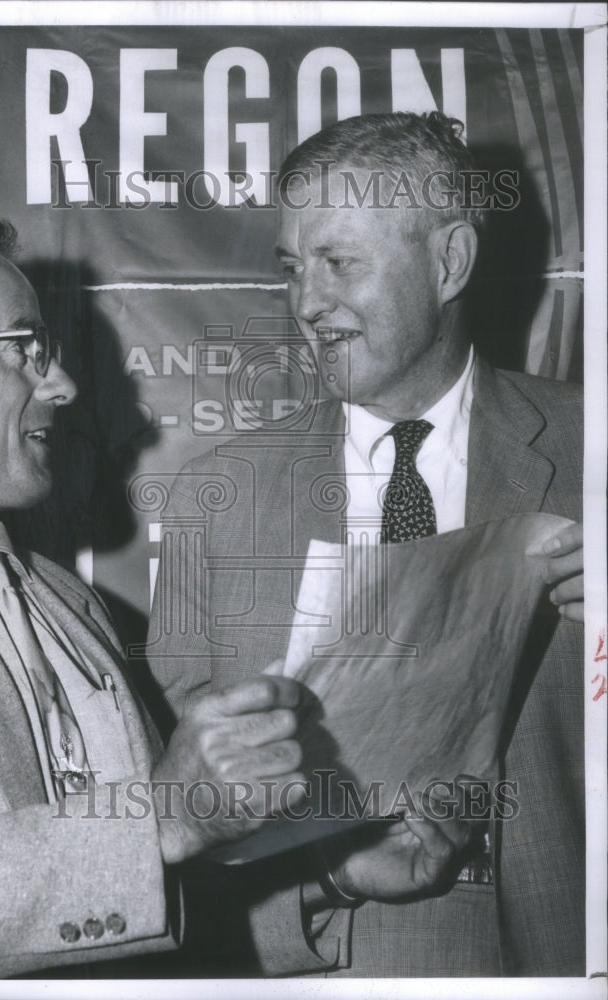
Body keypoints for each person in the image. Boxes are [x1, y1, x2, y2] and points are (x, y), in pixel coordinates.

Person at [0, 214, 314, 980]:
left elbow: (128, 899)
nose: (63, 386)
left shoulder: (70, 602)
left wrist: (326, 884)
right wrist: (161, 815)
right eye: (23, 350)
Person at [147, 112, 585, 976]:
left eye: (339, 262)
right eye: (292, 268)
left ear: (449, 260)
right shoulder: (213, 499)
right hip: (329, 963)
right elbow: (179, 803)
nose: (307, 302)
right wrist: (325, 870)